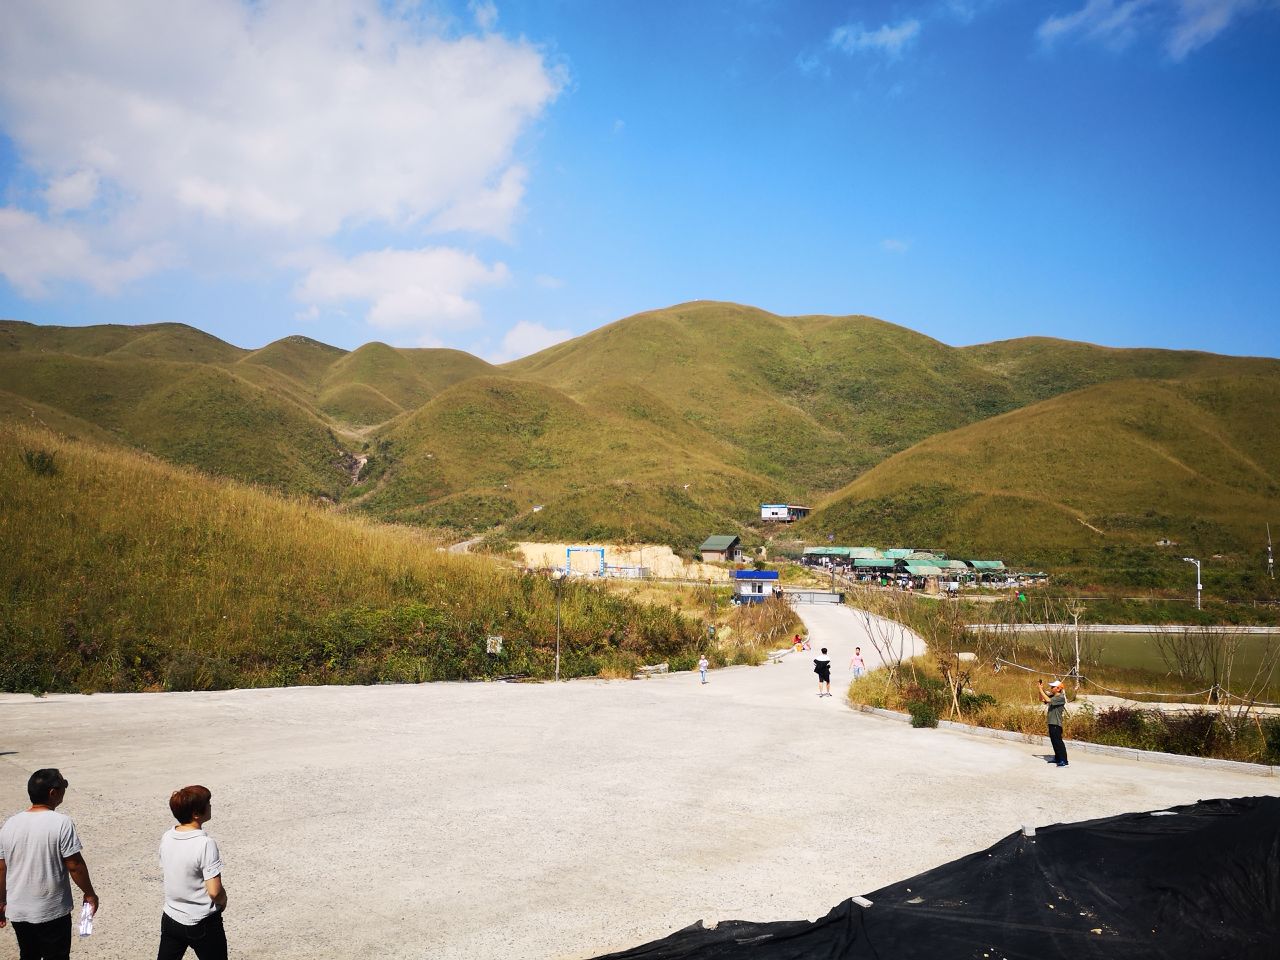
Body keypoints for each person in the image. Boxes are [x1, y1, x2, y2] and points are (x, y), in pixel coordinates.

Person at [0, 768, 100, 960]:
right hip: (51, 910)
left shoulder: (9, 824)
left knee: (28, 955)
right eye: (63, 786)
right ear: (53, 793)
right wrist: (89, 893)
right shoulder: (61, 823)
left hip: (19, 910)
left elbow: (1, 868)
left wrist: (1, 901)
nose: (64, 790)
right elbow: (74, 865)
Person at [157, 785, 227, 960]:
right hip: (201, 921)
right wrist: (223, 900)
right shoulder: (205, 844)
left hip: (171, 917)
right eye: (208, 803)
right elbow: (214, 891)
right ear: (196, 813)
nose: (210, 806)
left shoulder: (168, 836)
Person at [1037, 679, 1069, 767]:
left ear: (1058, 689)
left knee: (1058, 742)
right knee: (1054, 741)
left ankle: (1064, 760)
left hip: (1056, 724)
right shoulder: (1053, 697)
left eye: (1053, 687)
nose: (1051, 688)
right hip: (1051, 722)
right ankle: (1057, 758)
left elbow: (1047, 699)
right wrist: (1040, 689)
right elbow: (1041, 699)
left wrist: (1041, 690)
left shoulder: (1060, 698)